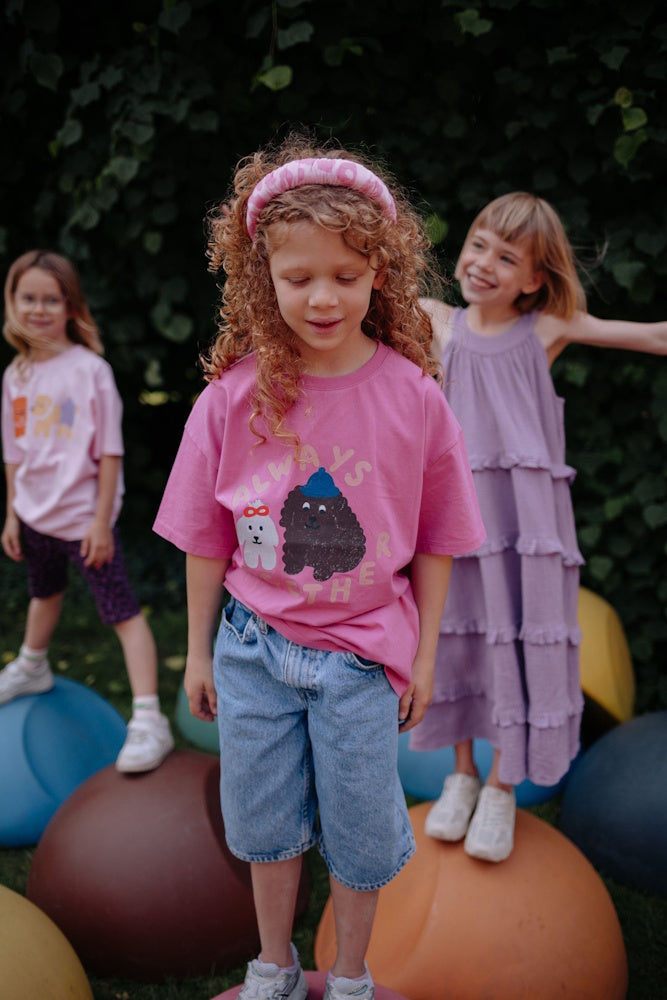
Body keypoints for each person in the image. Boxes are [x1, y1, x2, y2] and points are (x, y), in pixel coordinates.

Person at [153, 135, 485, 1000]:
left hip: (362, 662)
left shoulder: (415, 394)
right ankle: (273, 965)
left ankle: (349, 979)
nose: (322, 295)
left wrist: (423, 657)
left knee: (363, 836)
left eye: (345, 273)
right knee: (263, 826)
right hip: (252, 649)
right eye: (298, 277)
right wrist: (194, 652)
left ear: (382, 272)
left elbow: (442, 538)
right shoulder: (232, 395)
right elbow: (203, 537)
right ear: (265, 277)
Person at [413, 192, 667, 863]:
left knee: (519, 643)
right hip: (453, 522)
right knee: (452, 638)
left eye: (506, 256)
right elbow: (357, 291)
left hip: (522, 525)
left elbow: (650, 335)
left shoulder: (544, 331)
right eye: (476, 245)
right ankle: (461, 774)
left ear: (533, 278)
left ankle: (503, 785)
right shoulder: (436, 322)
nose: (483, 263)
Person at [1, 249, 174, 773]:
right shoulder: (17, 376)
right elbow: (14, 452)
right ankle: (32, 665)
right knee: (43, 595)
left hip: (83, 523)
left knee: (122, 614)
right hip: (34, 519)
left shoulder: (90, 372)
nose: (38, 309)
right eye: (27, 298)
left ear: (70, 306)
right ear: (12, 303)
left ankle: (149, 717)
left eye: (50, 300)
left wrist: (101, 521)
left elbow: (110, 453)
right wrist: (12, 514)